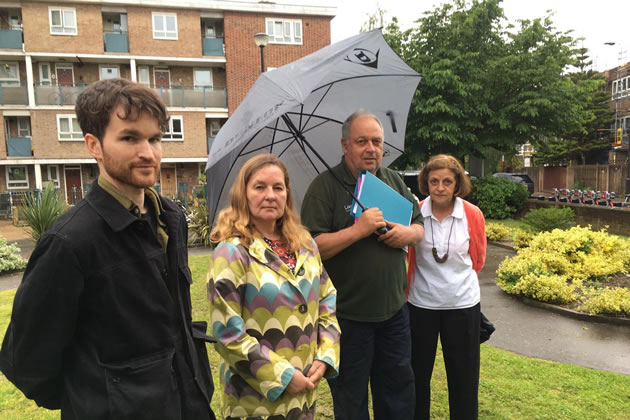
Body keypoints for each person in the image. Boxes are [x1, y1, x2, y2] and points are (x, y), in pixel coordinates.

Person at [0, 78, 216, 420]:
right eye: (130, 138)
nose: (148, 152)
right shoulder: (69, 243)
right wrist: (97, 398)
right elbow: (27, 361)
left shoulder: (171, 219)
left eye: (155, 138)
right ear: (94, 145)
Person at [300, 110, 424, 420]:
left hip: (394, 313)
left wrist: (406, 234)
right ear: (345, 145)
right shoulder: (324, 187)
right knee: (350, 398)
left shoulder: (393, 180)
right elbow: (310, 249)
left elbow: (419, 226)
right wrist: (358, 229)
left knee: (397, 392)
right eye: (361, 141)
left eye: (377, 142)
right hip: (347, 319)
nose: (371, 148)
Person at [207, 153, 340, 419]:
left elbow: (326, 301)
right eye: (260, 187)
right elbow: (227, 334)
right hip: (254, 400)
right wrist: (283, 376)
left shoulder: (305, 245)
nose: (270, 195)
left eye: (278, 187)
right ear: (243, 194)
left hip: (304, 395)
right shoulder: (232, 252)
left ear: (287, 194)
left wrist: (326, 355)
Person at [407, 154, 487, 420]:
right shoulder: (415, 212)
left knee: (464, 379)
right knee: (417, 377)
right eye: (434, 181)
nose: (440, 187)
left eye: (447, 181)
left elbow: (478, 259)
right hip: (421, 306)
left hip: (462, 306)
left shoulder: (472, 215)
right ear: (426, 183)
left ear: (457, 184)